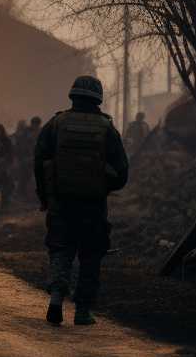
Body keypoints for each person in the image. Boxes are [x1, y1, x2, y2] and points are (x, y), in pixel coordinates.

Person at [34, 75, 129, 327]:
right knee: (90, 256)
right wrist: (102, 186)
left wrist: (45, 196)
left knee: (60, 249)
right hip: (93, 206)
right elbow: (122, 173)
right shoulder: (106, 128)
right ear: (98, 98)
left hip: (61, 202)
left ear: (72, 95)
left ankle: (56, 299)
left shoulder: (56, 123)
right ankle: (82, 312)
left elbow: (38, 161)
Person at [11, 116, 42, 206]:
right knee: (24, 178)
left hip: (34, 159)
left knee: (33, 178)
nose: (35, 127)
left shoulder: (40, 132)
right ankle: (22, 195)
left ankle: (31, 197)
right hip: (26, 159)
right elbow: (21, 146)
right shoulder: (26, 132)